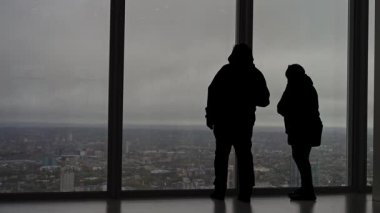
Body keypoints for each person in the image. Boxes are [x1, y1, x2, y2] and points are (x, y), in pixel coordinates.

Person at [206, 43, 270, 202]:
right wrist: (248, 98)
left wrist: (210, 116)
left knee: (221, 158)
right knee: (244, 158)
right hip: (244, 123)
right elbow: (264, 100)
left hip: (224, 123)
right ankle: (245, 193)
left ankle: (219, 191)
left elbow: (212, 94)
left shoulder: (225, 71)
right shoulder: (255, 74)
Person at [277, 64, 323, 201]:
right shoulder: (310, 87)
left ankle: (307, 191)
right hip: (310, 129)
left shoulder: (293, 88)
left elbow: (281, 107)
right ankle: (306, 189)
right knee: (303, 159)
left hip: (299, 130)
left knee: (300, 159)